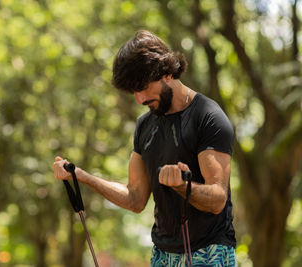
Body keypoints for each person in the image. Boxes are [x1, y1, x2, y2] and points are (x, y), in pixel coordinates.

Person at [53, 30, 237, 266]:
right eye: (133, 92)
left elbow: (218, 199)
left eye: (143, 87)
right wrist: (81, 176)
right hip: (162, 255)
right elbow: (136, 198)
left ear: (167, 72)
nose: (139, 99)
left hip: (209, 253)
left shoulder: (207, 116)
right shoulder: (145, 125)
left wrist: (184, 185)